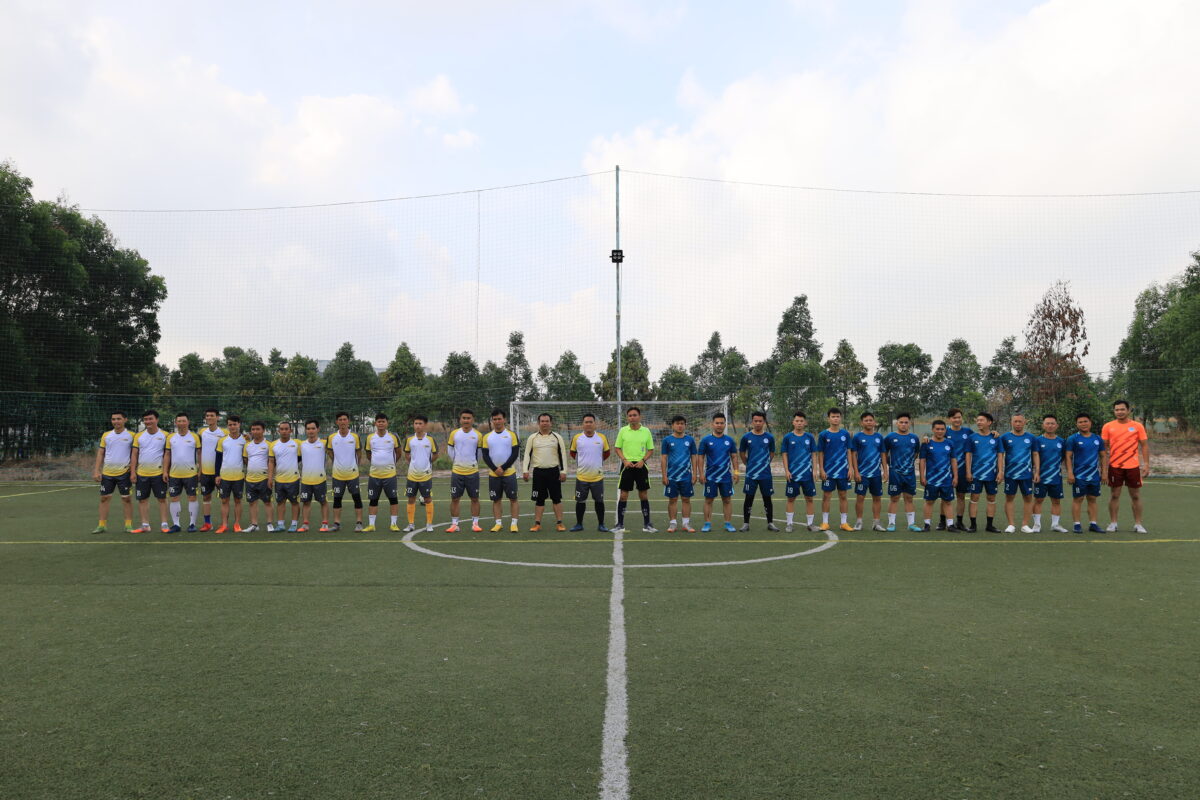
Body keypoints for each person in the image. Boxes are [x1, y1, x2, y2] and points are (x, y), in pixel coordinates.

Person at [1102, 399, 1150, 533]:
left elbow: (1144, 446)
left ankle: (1138, 524)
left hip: (1133, 467)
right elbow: (1104, 449)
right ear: (1114, 411)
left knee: (1135, 496)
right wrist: (1104, 468)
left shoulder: (1137, 426)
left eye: (1122, 409)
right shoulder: (1108, 426)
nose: (1119, 412)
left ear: (1128, 410)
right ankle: (1113, 523)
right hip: (1115, 466)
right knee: (1114, 495)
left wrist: (1146, 464)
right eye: (1117, 410)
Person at [521, 413, 569, 532]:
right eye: (542, 421)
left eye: (547, 421)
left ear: (551, 423)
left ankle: (560, 523)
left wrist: (563, 471)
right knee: (539, 500)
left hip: (554, 472)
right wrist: (525, 470)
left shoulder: (557, 437)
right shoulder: (532, 438)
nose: (544, 423)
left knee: (556, 499)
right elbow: (527, 455)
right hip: (538, 473)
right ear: (538, 423)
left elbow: (562, 455)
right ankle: (537, 524)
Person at [613, 407, 656, 533]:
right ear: (627, 418)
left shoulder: (646, 431)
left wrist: (643, 460)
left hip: (641, 466)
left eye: (635, 415)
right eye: (630, 415)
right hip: (627, 466)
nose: (632, 417)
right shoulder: (623, 430)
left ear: (640, 417)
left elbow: (651, 449)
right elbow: (617, 448)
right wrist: (624, 460)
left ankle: (647, 524)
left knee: (643, 494)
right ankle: (620, 524)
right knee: (623, 495)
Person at [91, 411, 134, 534]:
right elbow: (101, 453)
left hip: (124, 473)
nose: (116, 421)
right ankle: (101, 525)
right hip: (107, 473)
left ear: (125, 420)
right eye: (113, 419)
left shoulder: (132, 435)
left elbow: (135, 454)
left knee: (126, 499)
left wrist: (133, 469)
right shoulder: (106, 435)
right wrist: (96, 470)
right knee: (104, 498)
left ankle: (128, 525)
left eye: (118, 419)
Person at [1065, 413, 1107, 533]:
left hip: (1094, 475)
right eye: (1080, 422)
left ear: (1090, 422)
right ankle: (1077, 524)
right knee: (1078, 498)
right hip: (1079, 475)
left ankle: (1093, 524)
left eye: (1085, 421)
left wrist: (1104, 473)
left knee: (1092, 498)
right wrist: (1070, 473)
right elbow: (1068, 457)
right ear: (1076, 424)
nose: (1083, 424)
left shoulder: (1097, 439)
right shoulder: (1072, 439)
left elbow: (1103, 456)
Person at [697, 412, 739, 533]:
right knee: (709, 500)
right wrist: (701, 474)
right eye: (717, 423)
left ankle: (728, 524)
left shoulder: (729, 440)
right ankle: (707, 524)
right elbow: (700, 457)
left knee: (727, 500)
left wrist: (736, 472)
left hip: (726, 476)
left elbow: (734, 457)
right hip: (710, 476)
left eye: (722, 423)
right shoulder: (706, 440)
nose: (719, 425)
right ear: (712, 424)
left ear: (725, 424)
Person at [482, 409, 521, 532]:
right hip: (494, 474)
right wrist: (495, 469)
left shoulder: (511, 435)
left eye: (499, 419)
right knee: (496, 499)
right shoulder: (487, 437)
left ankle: (514, 524)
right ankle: (498, 523)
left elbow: (515, 454)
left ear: (504, 420)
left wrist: (503, 468)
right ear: (492, 421)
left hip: (509, 473)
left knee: (513, 499)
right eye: (495, 419)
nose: (497, 421)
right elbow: (485, 455)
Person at [569, 412, 609, 532]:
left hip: (597, 477)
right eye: (586, 422)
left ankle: (601, 524)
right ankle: (579, 524)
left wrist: (597, 461)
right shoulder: (577, 438)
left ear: (595, 424)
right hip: (582, 477)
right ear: (583, 424)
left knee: (599, 501)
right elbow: (572, 453)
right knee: (580, 501)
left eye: (591, 422)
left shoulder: (602, 437)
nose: (588, 424)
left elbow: (607, 453)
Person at [131, 410, 169, 533]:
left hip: (159, 474)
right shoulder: (138, 436)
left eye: (150, 419)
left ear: (157, 420)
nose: (148, 421)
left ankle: (164, 524)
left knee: (162, 499)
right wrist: (133, 472)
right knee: (142, 500)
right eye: (146, 419)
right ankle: (145, 525)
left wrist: (165, 471)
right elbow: (134, 454)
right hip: (141, 474)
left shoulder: (165, 435)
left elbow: (167, 455)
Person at [738, 411, 778, 532]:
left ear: (764, 422)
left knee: (767, 498)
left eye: (760, 421)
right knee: (749, 498)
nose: (758, 423)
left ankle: (770, 523)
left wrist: (765, 463)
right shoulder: (746, 437)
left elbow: (772, 453)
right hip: (751, 474)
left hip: (765, 474)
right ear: (752, 422)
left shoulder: (769, 437)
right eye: (755, 421)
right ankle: (746, 523)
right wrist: (748, 464)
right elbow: (742, 453)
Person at [883, 412, 922, 532]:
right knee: (894, 498)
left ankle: (911, 524)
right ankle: (891, 523)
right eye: (901, 422)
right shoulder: (890, 437)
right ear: (897, 423)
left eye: (906, 422)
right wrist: (887, 468)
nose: (903, 424)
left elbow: (916, 453)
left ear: (909, 423)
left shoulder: (914, 438)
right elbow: (884, 454)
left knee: (909, 498)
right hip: (895, 473)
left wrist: (907, 464)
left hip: (909, 474)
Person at [816, 408, 853, 532]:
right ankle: (825, 522)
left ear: (840, 418)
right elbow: (820, 453)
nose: (835, 418)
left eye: (837, 416)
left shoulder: (845, 434)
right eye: (833, 416)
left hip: (843, 471)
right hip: (828, 471)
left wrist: (851, 468)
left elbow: (849, 451)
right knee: (826, 496)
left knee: (843, 495)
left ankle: (844, 523)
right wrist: (821, 469)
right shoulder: (823, 434)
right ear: (828, 419)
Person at [364, 413, 402, 532]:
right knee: (373, 500)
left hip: (390, 475)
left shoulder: (393, 437)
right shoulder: (370, 437)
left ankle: (393, 524)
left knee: (393, 499)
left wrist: (390, 464)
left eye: (383, 421)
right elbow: (368, 454)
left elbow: (398, 452)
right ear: (375, 423)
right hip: (374, 475)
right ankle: (371, 525)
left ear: (387, 423)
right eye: (379, 421)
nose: (381, 423)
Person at [446, 409, 483, 533]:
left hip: (472, 472)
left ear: (473, 420)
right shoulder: (454, 434)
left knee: (474, 499)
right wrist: (457, 462)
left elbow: (479, 454)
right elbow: (450, 450)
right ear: (460, 419)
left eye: (468, 418)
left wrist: (472, 463)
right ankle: (454, 524)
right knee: (455, 499)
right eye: (464, 418)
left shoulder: (478, 435)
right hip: (457, 472)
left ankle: (475, 524)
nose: (466, 420)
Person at [781, 411, 818, 532]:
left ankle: (810, 524)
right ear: (793, 422)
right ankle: (789, 524)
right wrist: (786, 470)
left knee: (810, 499)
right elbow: (784, 454)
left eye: (801, 421)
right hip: (793, 474)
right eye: (797, 421)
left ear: (805, 422)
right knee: (791, 499)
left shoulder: (809, 437)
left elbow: (813, 454)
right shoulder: (788, 437)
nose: (799, 423)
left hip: (807, 474)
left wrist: (815, 470)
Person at [327, 412, 364, 532]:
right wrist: (337, 462)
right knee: (337, 499)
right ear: (337, 422)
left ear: (348, 421)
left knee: (356, 498)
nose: (342, 422)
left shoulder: (355, 436)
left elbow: (359, 453)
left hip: (352, 474)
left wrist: (354, 466)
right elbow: (330, 452)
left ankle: (359, 523)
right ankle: (336, 523)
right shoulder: (332, 437)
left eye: (344, 419)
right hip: (337, 475)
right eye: (340, 419)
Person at [661, 415, 698, 533]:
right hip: (671, 476)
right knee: (672, 499)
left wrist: (695, 474)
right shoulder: (667, 440)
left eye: (682, 423)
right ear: (672, 425)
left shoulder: (690, 440)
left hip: (686, 476)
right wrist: (664, 475)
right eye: (677, 423)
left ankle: (686, 524)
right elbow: (663, 458)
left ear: (685, 425)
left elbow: (694, 457)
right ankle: (672, 524)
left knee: (686, 499)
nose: (680, 426)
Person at [165, 412, 201, 533]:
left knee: (192, 497)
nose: (181, 423)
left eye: (183, 421)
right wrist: (165, 471)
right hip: (174, 474)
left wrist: (200, 470)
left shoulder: (194, 436)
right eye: (179, 421)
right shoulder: (171, 437)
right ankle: (176, 524)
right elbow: (167, 454)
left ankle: (192, 524)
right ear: (176, 423)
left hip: (191, 474)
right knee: (174, 498)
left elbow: (200, 454)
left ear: (188, 422)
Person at [965, 412, 1001, 532]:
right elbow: (968, 455)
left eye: (982, 420)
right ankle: (973, 525)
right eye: (978, 420)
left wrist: (1000, 471)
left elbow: (1000, 455)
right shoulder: (972, 438)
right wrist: (968, 471)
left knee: (991, 498)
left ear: (989, 422)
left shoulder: (996, 437)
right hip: (976, 474)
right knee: (974, 497)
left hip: (992, 474)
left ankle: (989, 525)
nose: (979, 422)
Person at [999, 413, 1036, 534]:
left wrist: (1036, 471)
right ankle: (1011, 525)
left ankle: (1025, 525)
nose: (1018, 424)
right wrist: (1001, 471)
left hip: (1026, 474)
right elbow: (1000, 455)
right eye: (1015, 421)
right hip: (1010, 474)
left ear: (1025, 422)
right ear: (1011, 422)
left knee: (1028, 498)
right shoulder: (1004, 437)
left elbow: (1035, 454)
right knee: (1009, 498)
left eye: (1020, 421)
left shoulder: (1031, 437)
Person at [850, 412, 886, 532]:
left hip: (876, 474)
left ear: (874, 422)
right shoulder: (857, 437)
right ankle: (859, 522)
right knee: (860, 497)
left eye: (871, 420)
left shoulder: (879, 437)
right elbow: (853, 455)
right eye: (866, 420)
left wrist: (885, 471)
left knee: (877, 498)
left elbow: (883, 454)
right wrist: (856, 471)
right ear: (861, 423)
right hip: (862, 474)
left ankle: (876, 523)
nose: (869, 422)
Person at [1031, 414, 1068, 533]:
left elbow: (1063, 457)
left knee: (1056, 501)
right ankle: (1036, 525)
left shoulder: (1061, 441)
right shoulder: (1037, 440)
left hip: (1056, 476)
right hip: (1041, 476)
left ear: (1057, 425)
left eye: (1052, 423)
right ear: (1043, 425)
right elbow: (1034, 456)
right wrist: (1036, 472)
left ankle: (1055, 525)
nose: (1050, 425)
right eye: (1047, 423)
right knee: (1038, 500)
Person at [919, 420, 958, 532]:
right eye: (937, 429)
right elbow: (922, 461)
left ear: (945, 430)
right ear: (933, 430)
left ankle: (950, 525)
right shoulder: (926, 443)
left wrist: (955, 476)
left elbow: (953, 460)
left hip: (946, 479)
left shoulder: (950, 443)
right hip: (931, 480)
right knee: (929, 501)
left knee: (948, 502)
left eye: (942, 429)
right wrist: (922, 476)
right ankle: (927, 525)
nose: (940, 431)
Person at [402, 415, 437, 533]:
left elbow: (435, 454)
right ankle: (411, 524)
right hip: (412, 475)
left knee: (427, 499)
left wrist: (427, 463)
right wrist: (414, 463)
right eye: (416, 423)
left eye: (420, 423)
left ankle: (429, 524)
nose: (417, 426)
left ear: (425, 425)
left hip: (426, 475)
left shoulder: (430, 439)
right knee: (411, 499)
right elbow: (407, 454)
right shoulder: (410, 439)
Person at [214, 415, 247, 534]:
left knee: (238, 500)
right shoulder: (222, 440)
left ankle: (237, 524)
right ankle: (224, 525)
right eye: (230, 425)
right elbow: (218, 459)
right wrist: (217, 475)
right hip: (224, 476)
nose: (232, 427)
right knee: (224, 501)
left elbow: (247, 458)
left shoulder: (245, 440)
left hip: (239, 476)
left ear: (239, 425)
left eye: (234, 424)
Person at [298, 419, 330, 533]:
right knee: (306, 502)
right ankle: (305, 524)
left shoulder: (324, 443)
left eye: (313, 428)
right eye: (308, 429)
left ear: (318, 429)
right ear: (305, 430)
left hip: (320, 480)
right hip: (305, 480)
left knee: (323, 502)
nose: (310, 431)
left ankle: (325, 524)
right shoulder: (301, 445)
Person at [944, 409, 974, 530]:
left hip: (963, 470)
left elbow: (982, 436)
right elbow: (934, 440)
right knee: (945, 497)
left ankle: (959, 522)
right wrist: (926, 438)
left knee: (961, 496)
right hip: (946, 470)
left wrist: (993, 433)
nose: (957, 419)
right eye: (954, 417)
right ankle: (942, 522)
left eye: (959, 417)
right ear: (949, 419)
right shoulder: (945, 431)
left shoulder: (968, 432)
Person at [197, 408, 226, 532]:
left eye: (212, 415)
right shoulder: (202, 432)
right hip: (206, 472)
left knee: (224, 498)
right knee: (206, 497)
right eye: (207, 415)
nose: (209, 417)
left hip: (220, 473)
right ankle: (208, 523)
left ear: (217, 417)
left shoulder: (224, 432)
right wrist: (199, 469)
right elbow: (199, 451)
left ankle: (224, 524)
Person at [270, 421, 302, 532]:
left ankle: (294, 524)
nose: (284, 431)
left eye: (286, 429)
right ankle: (280, 524)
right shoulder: (273, 444)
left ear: (290, 430)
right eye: (282, 429)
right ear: (279, 431)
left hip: (293, 479)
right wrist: (270, 477)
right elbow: (271, 462)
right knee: (280, 502)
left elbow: (302, 456)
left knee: (294, 502)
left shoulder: (297, 443)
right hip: (279, 479)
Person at [243, 421, 273, 532]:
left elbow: (272, 462)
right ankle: (254, 525)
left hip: (264, 479)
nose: (255, 431)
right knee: (252, 502)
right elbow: (246, 460)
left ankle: (269, 524)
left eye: (257, 429)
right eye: (253, 429)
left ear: (263, 430)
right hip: (250, 479)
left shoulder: (269, 444)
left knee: (267, 501)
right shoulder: (247, 445)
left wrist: (270, 477)